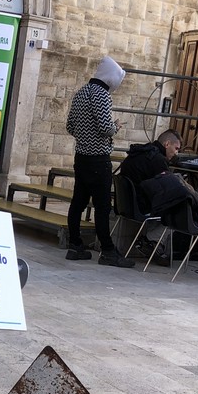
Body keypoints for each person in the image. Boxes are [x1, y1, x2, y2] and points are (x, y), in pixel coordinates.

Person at [65, 55, 133, 267]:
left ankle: (75, 245)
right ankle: (108, 251)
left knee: (78, 202)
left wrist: (84, 136)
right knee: (102, 207)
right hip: (98, 159)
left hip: (81, 157)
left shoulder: (81, 92)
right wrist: (116, 127)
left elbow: (70, 126)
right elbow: (105, 128)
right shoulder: (102, 95)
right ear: (111, 77)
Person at [120, 129, 198, 266]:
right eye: (176, 148)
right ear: (167, 144)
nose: (176, 153)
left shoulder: (139, 152)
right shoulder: (157, 160)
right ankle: (152, 240)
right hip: (141, 205)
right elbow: (166, 191)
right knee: (181, 209)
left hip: (126, 204)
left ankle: (154, 242)